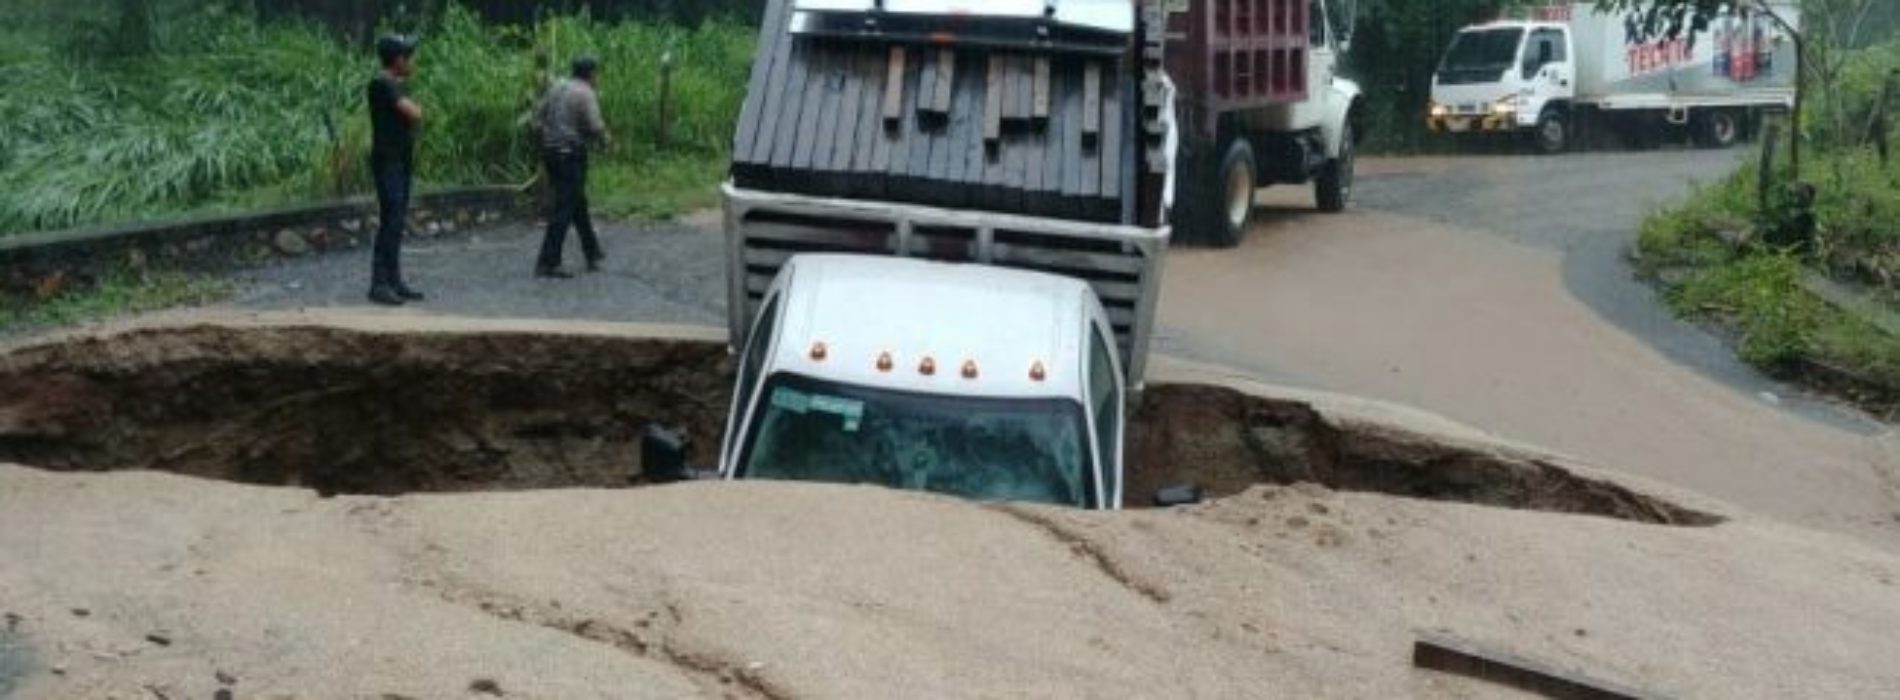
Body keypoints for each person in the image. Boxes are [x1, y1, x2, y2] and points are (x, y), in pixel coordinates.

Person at [533, 56, 612, 278]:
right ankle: (548, 262)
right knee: (565, 207)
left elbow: (537, 118)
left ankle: (592, 251)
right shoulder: (586, 93)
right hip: (570, 154)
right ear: (591, 74)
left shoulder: (557, 87)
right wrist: (607, 140)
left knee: (577, 203)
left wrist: (549, 138)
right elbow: (595, 125)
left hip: (551, 153)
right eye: (596, 74)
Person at [366, 34, 425, 306]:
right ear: (398, 60)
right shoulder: (383, 84)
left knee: (397, 220)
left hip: (399, 160)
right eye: (407, 57)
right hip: (388, 161)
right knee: (391, 220)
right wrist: (411, 104)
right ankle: (379, 283)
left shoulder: (393, 84)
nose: (411, 62)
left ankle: (394, 280)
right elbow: (414, 114)